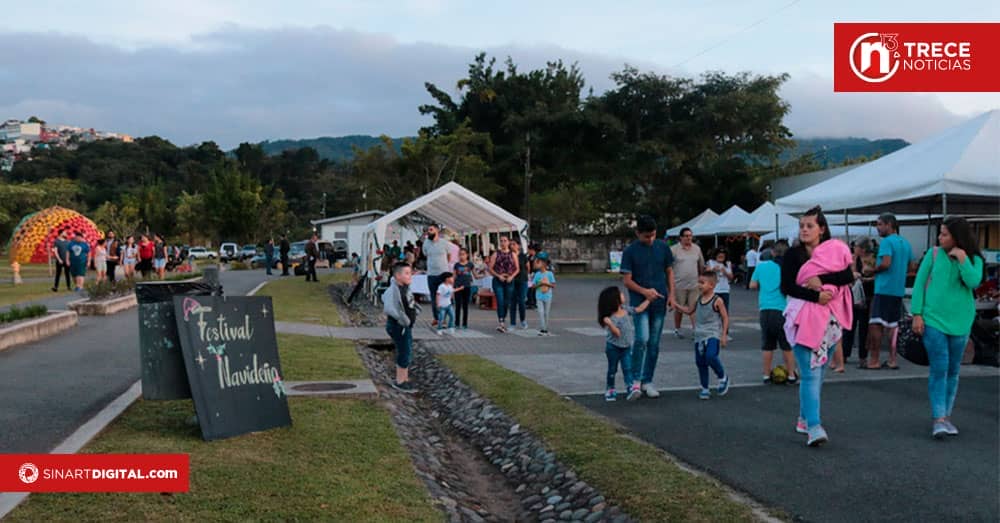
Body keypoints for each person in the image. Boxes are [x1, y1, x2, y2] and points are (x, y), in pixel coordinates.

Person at [781, 206, 855, 447]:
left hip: (831, 319)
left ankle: (804, 419)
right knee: (811, 374)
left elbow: (848, 275)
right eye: (801, 226)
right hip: (804, 317)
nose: (804, 230)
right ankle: (814, 426)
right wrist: (815, 297)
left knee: (820, 373)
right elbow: (787, 287)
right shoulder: (793, 254)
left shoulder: (834, 250)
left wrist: (822, 281)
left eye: (809, 226)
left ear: (821, 229)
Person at [911, 217, 984, 438]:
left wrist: (963, 259)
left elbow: (973, 283)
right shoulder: (933, 255)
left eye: (945, 234)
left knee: (953, 371)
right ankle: (939, 418)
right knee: (939, 368)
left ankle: (947, 416)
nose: (940, 238)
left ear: (957, 237)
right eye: (940, 233)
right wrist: (917, 314)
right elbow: (919, 285)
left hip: (961, 321)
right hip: (933, 320)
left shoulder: (974, 259)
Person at [621, 215, 677, 398]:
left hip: (660, 301)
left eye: (653, 235)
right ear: (638, 233)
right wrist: (645, 292)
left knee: (654, 343)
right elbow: (627, 281)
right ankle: (635, 380)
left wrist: (672, 295)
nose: (650, 239)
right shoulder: (630, 251)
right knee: (641, 339)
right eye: (646, 236)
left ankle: (648, 380)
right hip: (640, 303)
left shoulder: (663, 247)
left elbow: (669, 272)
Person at [865, 213, 914, 370]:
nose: (877, 228)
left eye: (879, 224)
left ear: (889, 225)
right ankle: (893, 359)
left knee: (876, 324)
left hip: (884, 288)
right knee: (893, 325)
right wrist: (899, 273)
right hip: (898, 290)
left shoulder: (886, 242)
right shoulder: (905, 243)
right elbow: (912, 267)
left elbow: (886, 263)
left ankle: (874, 360)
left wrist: (872, 271)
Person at [676, 270, 731, 400]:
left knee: (711, 356)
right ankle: (705, 388)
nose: (699, 285)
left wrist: (723, 335)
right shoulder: (698, 299)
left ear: (712, 285)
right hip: (699, 335)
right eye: (699, 282)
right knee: (700, 362)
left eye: (702, 283)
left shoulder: (717, 300)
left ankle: (722, 377)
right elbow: (689, 311)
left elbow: (725, 317)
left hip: (712, 334)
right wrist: (676, 305)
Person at [750, 242, 797, 384]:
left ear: (773, 252)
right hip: (782, 310)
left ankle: (765, 375)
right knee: (786, 345)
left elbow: (752, 285)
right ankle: (791, 375)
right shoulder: (788, 269)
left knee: (767, 344)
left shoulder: (762, 266)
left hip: (765, 309)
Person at [598, 286, 652, 402]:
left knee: (627, 368)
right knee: (612, 369)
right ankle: (610, 389)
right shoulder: (612, 317)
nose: (623, 295)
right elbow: (617, 333)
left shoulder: (625, 309)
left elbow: (638, 309)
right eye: (620, 294)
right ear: (615, 299)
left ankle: (630, 388)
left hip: (626, 346)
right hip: (613, 347)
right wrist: (610, 324)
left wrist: (649, 300)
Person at [383, 263, 419, 393]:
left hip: (405, 326)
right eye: (407, 273)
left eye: (410, 273)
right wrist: (401, 318)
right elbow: (388, 307)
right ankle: (400, 381)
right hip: (398, 326)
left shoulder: (405, 288)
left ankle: (405, 378)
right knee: (404, 351)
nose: (410, 276)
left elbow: (408, 304)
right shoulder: (392, 290)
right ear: (398, 275)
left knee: (407, 349)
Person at [844, 237, 876, 369]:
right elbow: (847, 274)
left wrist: (867, 279)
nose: (854, 248)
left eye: (856, 246)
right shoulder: (852, 259)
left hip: (867, 297)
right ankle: (845, 354)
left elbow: (878, 275)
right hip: (853, 296)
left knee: (864, 328)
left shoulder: (874, 260)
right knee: (849, 326)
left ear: (862, 248)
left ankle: (863, 357)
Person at [670, 227, 704, 338]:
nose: (689, 238)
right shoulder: (674, 250)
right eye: (686, 236)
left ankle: (696, 329)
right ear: (681, 237)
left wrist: (701, 278)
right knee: (679, 308)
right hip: (679, 284)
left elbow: (701, 265)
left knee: (693, 307)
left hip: (694, 284)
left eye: (690, 235)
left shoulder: (697, 249)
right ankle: (677, 328)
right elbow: (668, 268)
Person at [488, 236, 520, 333]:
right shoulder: (495, 254)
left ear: (508, 242)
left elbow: (517, 268)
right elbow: (490, 268)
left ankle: (503, 318)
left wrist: (512, 276)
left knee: (506, 302)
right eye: (501, 241)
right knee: (500, 301)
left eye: (505, 241)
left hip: (509, 280)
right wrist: (498, 276)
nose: (503, 243)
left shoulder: (513, 254)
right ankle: (501, 322)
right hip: (498, 281)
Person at [422, 225, 451, 327]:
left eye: (431, 230)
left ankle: (443, 319)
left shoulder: (444, 243)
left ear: (437, 230)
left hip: (443, 274)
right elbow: (425, 254)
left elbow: (449, 256)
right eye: (428, 230)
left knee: (444, 297)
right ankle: (436, 317)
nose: (429, 232)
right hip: (431, 274)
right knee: (434, 297)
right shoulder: (426, 243)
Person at [532, 252, 556, 336]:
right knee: (540, 312)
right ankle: (543, 329)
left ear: (545, 264)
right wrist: (540, 284)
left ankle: (546, 328)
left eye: (540, 262)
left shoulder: (550, 274)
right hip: (539, 296)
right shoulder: (537, 274)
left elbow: (553, 285)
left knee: (546, 313)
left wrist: (546, 284)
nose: (538, 263)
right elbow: (533, 286)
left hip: (548, 296)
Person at [706, 248, 734, 313]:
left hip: (725, 289)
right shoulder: (711, 262)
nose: (721, 258)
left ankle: (724, 322)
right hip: (714, 290)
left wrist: (725, 272)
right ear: (715, 256)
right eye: (719, 256)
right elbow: (706, 274)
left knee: (724, 310)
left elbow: (731, 277)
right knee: (713, 309)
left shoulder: (728, 263)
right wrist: (713, 270)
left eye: (723, 256)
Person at [453, 248, 475, 330]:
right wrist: (451, 286)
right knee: (458, 305)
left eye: (463, 254)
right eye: (460, 254)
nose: (461, 256)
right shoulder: (456, 265)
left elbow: (475, 275)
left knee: (465, 306)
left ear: (467, 255)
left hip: (467, 286)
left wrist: (483, 274)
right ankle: (457, 323)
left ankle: (465, 323)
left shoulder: (470, 264)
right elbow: (454, 276)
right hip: (458, 287)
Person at [510, 240, 530, 330]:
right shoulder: (509, 256)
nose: (512, 246)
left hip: (522, 280)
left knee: (521, 301)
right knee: (513, 302)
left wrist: (525, 275)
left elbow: (528, 267)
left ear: (518, 246)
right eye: (511, 244)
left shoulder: (523, 256)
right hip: (512, 280)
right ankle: (512, 323)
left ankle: (523, 320)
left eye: (514, 244)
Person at [526, 243, 539, 310]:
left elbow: (537, 266)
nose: (527, 250)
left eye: (528, 249)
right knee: (529, 289)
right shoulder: (529, 256)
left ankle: (533, 303)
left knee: (533, 289)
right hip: (530, 274)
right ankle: (529, 301)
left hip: (536, 274)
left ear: (532, 250)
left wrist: (533, 273)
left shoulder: (537, 257)